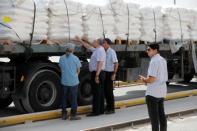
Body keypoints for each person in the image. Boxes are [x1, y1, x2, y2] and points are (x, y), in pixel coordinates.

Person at [75, 36, 106, 116]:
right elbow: (88, 47)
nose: (93, 42)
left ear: (98, 43)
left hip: (97, 73)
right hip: (97, 72)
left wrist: (97, 75)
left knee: (96, 92)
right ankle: (101, 110)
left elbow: (100, 63)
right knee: (99, 92)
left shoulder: (100, 51)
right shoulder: (97, 50)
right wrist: (80, 40)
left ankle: (96, 111)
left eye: (94, 41)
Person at [139, 44, 168, 131]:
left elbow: (151, 79)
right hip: (161, 92)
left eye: (149, 49)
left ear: (155, 50)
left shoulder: (154, 61)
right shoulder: (163, 60)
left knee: (154, 120)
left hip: (152, 93)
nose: (147, 51)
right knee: (162, 116)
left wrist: (144, 79)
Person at [59, 43, 82, 120]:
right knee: (73, 98)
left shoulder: (61, 58)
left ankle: (64, 114)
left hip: (64, 81)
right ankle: (73, 114)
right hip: (73, 82)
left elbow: (61, 68)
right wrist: (74, 75)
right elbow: (78, 70)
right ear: (73, 49)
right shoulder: (75, 58)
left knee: (64, 97)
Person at [102, 38, 118, 114]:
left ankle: (112, 108)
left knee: (109, 92)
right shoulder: (103, 51)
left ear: (108, 44)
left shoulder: (112, 52)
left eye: (104, 43)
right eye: (103, 43)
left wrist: (114, 74)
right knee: (105, 91)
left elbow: (116, 63)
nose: (103, 44)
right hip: (105, 73)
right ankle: (108, 107)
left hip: (110, 73)